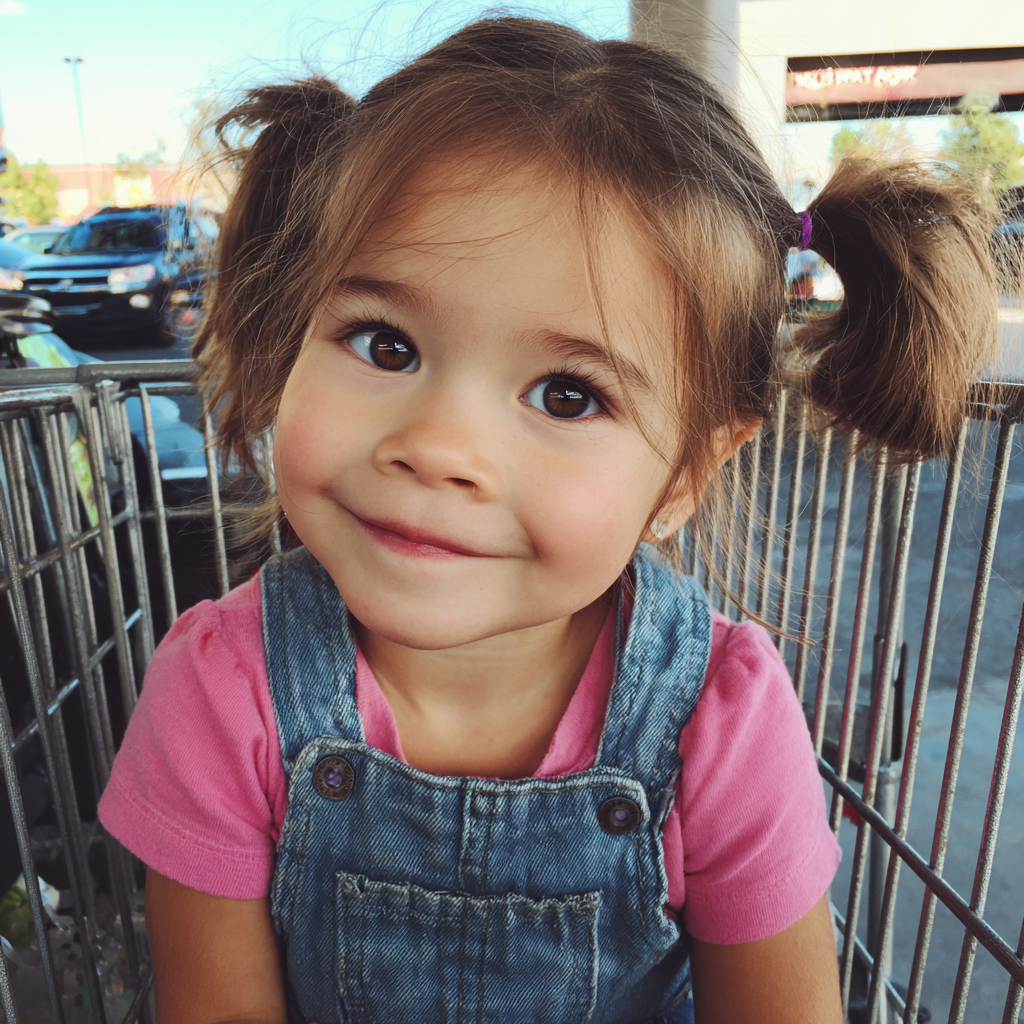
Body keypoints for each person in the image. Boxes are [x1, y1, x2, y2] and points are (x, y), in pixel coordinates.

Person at [97, 17, 997, 1024]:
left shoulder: (719, 720)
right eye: (384, 343)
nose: (438, 446)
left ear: (683, 477)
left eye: (568, 395)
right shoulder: (225, 690)